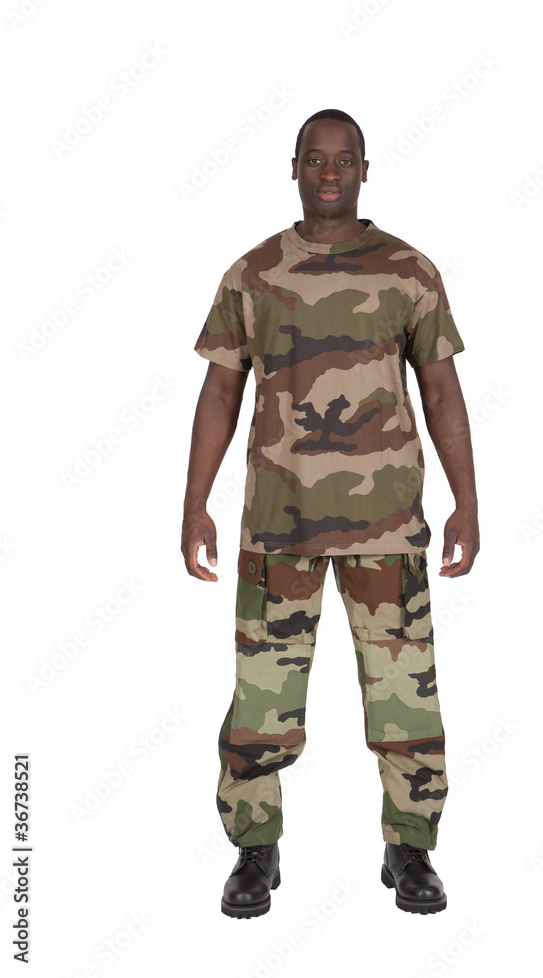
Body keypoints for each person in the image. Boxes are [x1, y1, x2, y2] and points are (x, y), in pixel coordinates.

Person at [181, 108, 479, 918]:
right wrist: (195, 503)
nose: (328, 173)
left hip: (388, 526)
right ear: (294, 167)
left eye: (343, 160)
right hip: (278, 523)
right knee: (261, 700)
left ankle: (409, 847)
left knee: (404, 695)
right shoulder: (253, 274)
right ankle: (255, 847)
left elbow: (441, 391)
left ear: (364, 170)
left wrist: (467, 502)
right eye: (314, 159)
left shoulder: (408, 272)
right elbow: (220, 392)